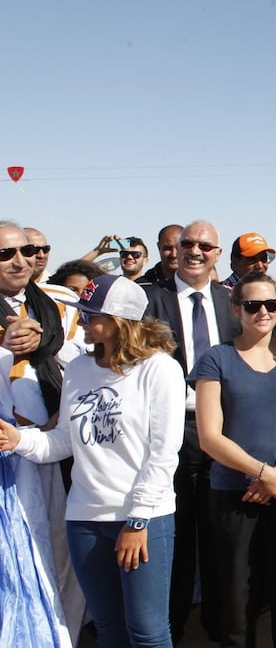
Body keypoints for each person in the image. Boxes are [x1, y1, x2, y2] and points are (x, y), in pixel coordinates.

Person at [0, 274, 186, 647]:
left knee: (147, 632)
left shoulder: (160, 369)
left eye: (88, 314)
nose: (80, 320)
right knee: (109, 630)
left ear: (117, 321)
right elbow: (65, 441)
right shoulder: (81, 369)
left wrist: (137, 520)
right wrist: (18, 440)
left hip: (142, 519)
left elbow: (164, 455)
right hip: (84, 520)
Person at [194, 272, 276, 647]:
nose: (263, 312)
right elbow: (210, 437)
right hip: (234, 493)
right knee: (237, 596)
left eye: (272, 305)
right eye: (252, 305)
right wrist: (263, 473)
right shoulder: (216, 358)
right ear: (236, 309)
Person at [142, 219, 240, 642]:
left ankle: (220, 621)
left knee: (221, 534)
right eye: (187, 243)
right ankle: (173, 623)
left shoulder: (232, 303)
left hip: (223, 433)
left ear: (217, 255)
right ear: (174, 250)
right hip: (172, 434)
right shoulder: (150, 301)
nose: (195, 250)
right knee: (177, 536)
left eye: (205, 245)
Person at [0, 222, 88, 640]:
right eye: (7, 254)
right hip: (7, 455)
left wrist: (60, 419)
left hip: (54, 448)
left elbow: (85, 363)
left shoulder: (58, 305)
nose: (22, 260)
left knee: (57, 550)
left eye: (29, 250)